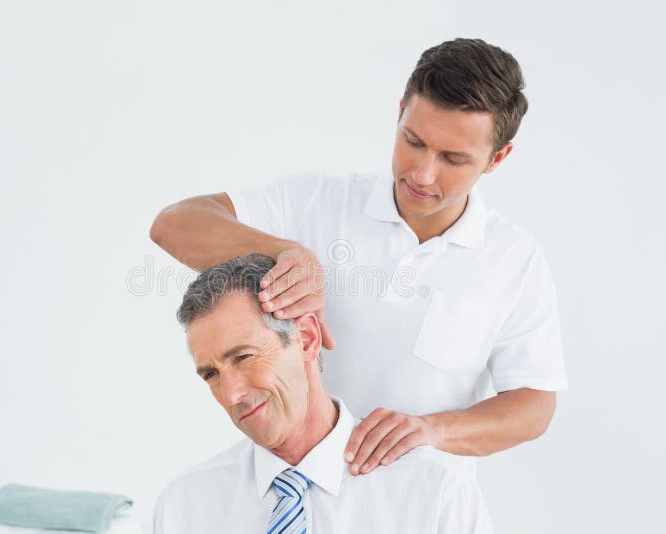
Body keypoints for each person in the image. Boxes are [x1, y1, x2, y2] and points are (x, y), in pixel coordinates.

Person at [150, 38, 568, 475]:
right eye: (413, 141)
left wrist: (430, 431)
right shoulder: (314, 203)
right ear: (401, 110)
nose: (422, 173)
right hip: (293, 488)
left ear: (497, 158)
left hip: (415, 504)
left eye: (453, 159)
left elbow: (535, 404)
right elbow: (174, 224)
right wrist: (286, 253)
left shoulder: (515, 260)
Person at [154, 254, 492, 533]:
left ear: (307, 339)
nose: (231, 395)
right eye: (211, 374)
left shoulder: (433, 492)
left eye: (243, 357)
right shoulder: (184, 506)